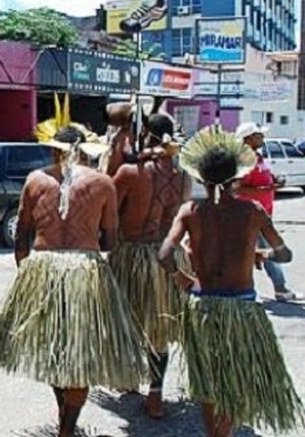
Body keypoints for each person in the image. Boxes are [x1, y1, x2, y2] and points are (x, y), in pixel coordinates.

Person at [0, 126, 146, 437]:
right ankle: (67, 428)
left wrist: (25, 276)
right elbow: (111, 241)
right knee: (79, 356)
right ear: (83, 150)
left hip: (43, 268)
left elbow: (21, 235)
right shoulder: (102, 183)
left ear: (54, 150)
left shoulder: (34, 180)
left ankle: (65, 423)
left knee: (54, 350)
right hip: (84, 270)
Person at [159, 126, 303, 436]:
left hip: (204, 305)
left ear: (201, 177)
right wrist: (260, 251)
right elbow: (286, 254)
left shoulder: (191, 210)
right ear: (236, 177)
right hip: (242, 308)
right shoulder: (253, 211)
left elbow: (164, 254)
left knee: (209, 382)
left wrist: (182, 278)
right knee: (234, 379)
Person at [109, 113, 191, 418]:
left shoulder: (131, 172)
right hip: (166, 255)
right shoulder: (184, 177)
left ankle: (129, 377)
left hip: (131, 255)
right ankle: (155, 395)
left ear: (147, 135)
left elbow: (109, 212)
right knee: (159, 328)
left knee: (126, 321)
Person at [235, 122, 302, 302]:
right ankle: (277, 289)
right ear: (247, 139)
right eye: (258, 135)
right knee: (266, 251)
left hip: (263, 214)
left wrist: (274, 180)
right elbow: (239, 189)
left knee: (261, 251)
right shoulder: (244, 160)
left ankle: (269, 289)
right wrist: (270, 187)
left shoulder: (257, 157)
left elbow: (262, 179)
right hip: (250, 215)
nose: (262, 139)